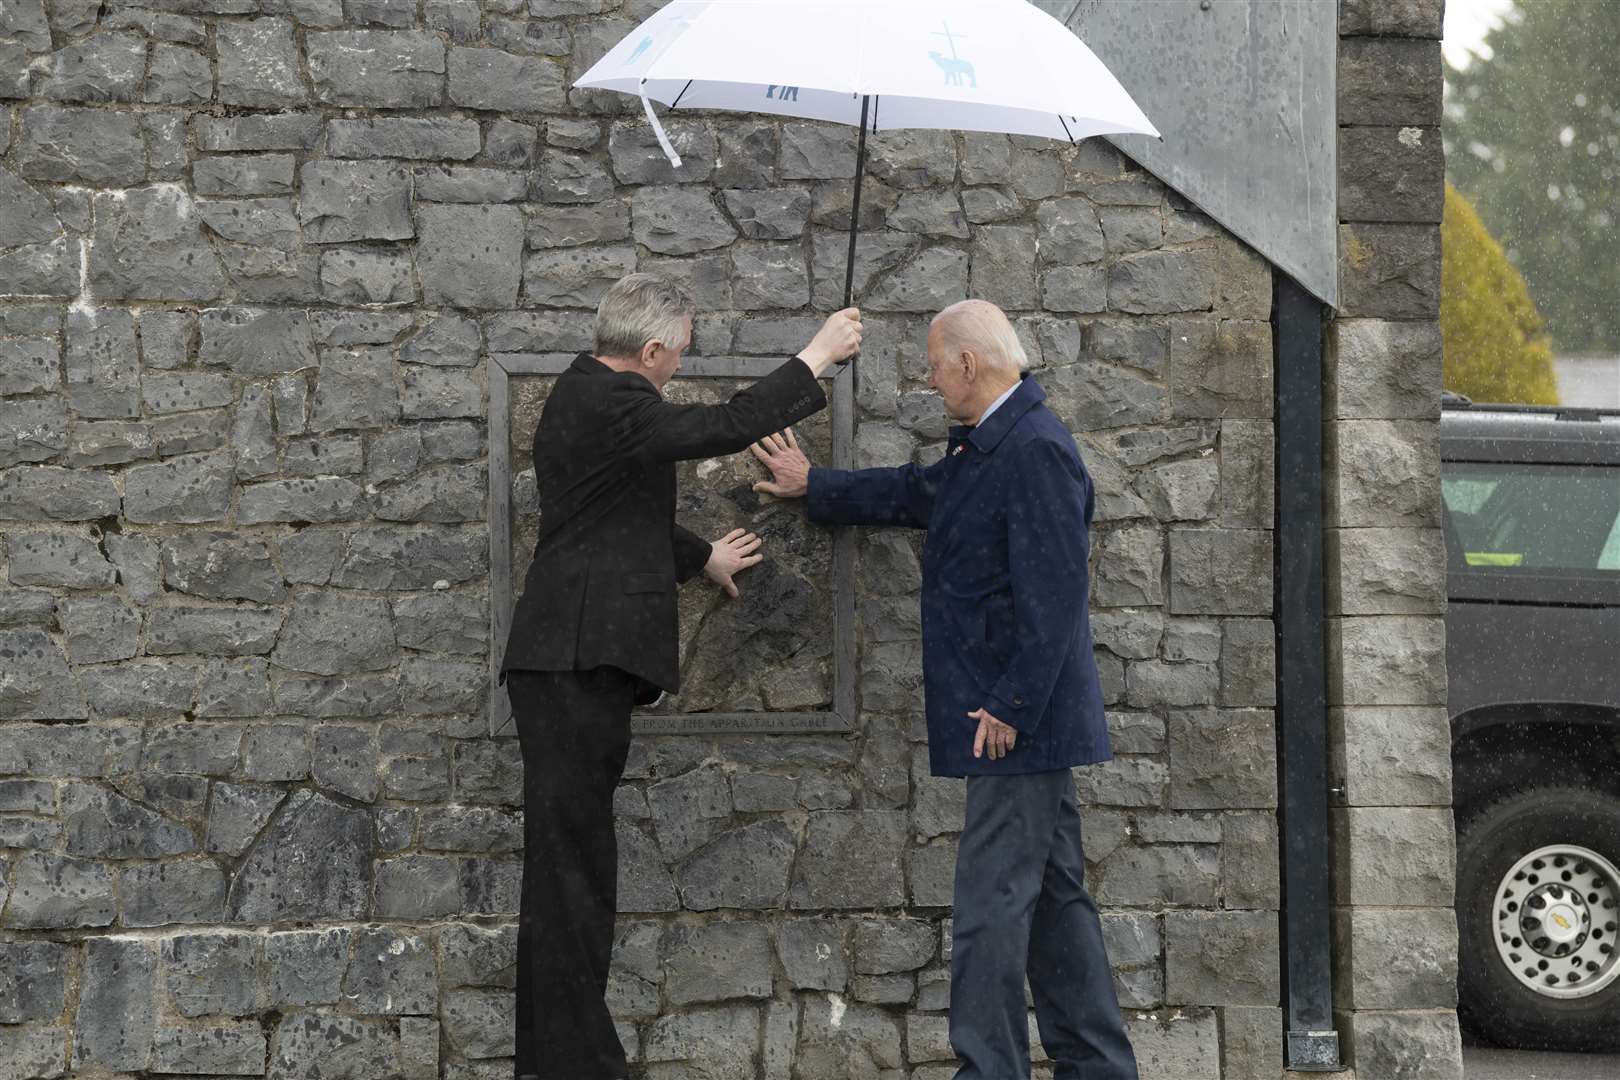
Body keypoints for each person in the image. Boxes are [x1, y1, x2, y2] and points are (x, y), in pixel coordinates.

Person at [750, 299, 1138, 1080]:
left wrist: (1010, 705)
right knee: (1057, 905)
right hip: (1021, 719)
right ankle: (1098, 1067)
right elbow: (918, 496)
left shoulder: (1033, 450)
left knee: (991, 909)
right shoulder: (994, 445)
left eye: (933, 366)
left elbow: (1055, 595)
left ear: (967, 364)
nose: (929, 381)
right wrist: (816, 484)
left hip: (1013, 721)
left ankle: (989, 1071)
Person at [499, 272, 861, 1080]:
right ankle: (577, 1067)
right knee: (571, 875)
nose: (678, 369)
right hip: (573, 662)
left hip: (568, 664)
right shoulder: (611, 401)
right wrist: (819, 355)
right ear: (651, 349)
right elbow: (725, 425)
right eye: (679, 356)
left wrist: (701, 557)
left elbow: (612, 515)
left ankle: (559, 1062)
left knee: (572, 869)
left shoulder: (584, 398)